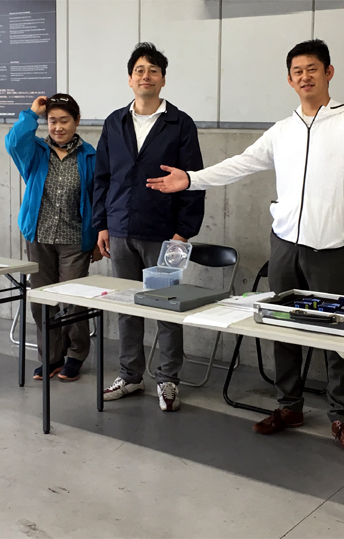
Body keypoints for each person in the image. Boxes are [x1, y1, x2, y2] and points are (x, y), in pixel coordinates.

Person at [147, 39, 344, 451]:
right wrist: (191, 179)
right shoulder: (282, 131)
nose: (305, 77)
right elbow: (240, 164)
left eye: (312, 69)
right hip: (284, 247)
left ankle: (341, 416)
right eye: (297, 71)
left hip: (330, 250)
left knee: (339, 334)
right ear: (289, 80)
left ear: (328, 73)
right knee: (283, 327)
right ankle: (289, 405)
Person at [92, 42, 206, 411]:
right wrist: (102, 225)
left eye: (153, 70)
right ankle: (130, 376)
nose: (146, 76)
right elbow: (102, 178)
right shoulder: (115, 123)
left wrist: (183, 232)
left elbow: (193, 180)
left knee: (167, 309)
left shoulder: (180, 124)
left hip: (166, 234)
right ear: (130, 79)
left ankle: (168, 379)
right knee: (127, 307)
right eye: (139, 70)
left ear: (163, 80)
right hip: (121, 230)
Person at [5, 93, 102, 382]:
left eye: (64, 121)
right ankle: (51, 357)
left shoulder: (90, 156)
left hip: (75, 239)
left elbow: (99, 198)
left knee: (73, 301)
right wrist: (31, 114)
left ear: (77, 121)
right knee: (41, 301)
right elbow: (12, 142)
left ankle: (76, 355)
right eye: (52, 121)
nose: (58, 127)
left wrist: (99, 235)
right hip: (39, 237)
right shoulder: (35, 151)